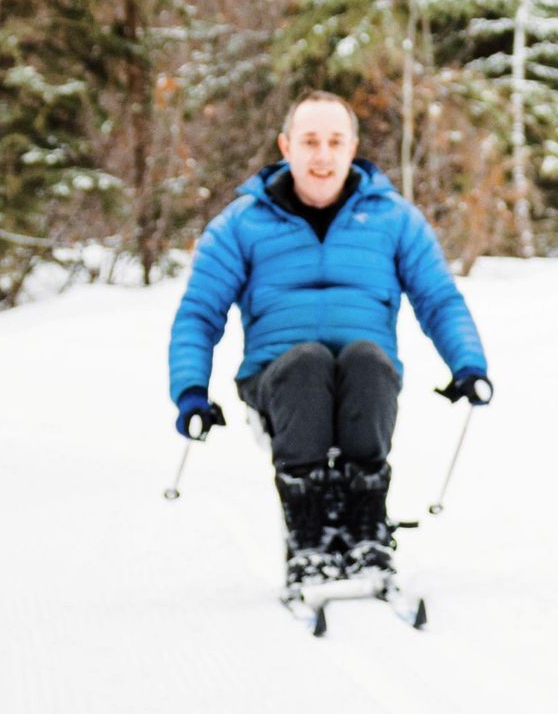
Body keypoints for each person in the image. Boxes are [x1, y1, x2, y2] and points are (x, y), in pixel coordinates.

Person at [169, 94, 492, 585]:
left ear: (353, 147)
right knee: (307, 361)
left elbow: (438, 298)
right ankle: (309, 530)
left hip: (366, 375)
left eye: (335, 142)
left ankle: (367, 525)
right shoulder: (240, 225)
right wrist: (191, 391)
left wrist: (468, 366)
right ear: (286, 146)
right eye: (310, 142)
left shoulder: (393, 219)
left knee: (366, 358)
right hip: (279, 377)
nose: (322, 156)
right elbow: (199, 313)